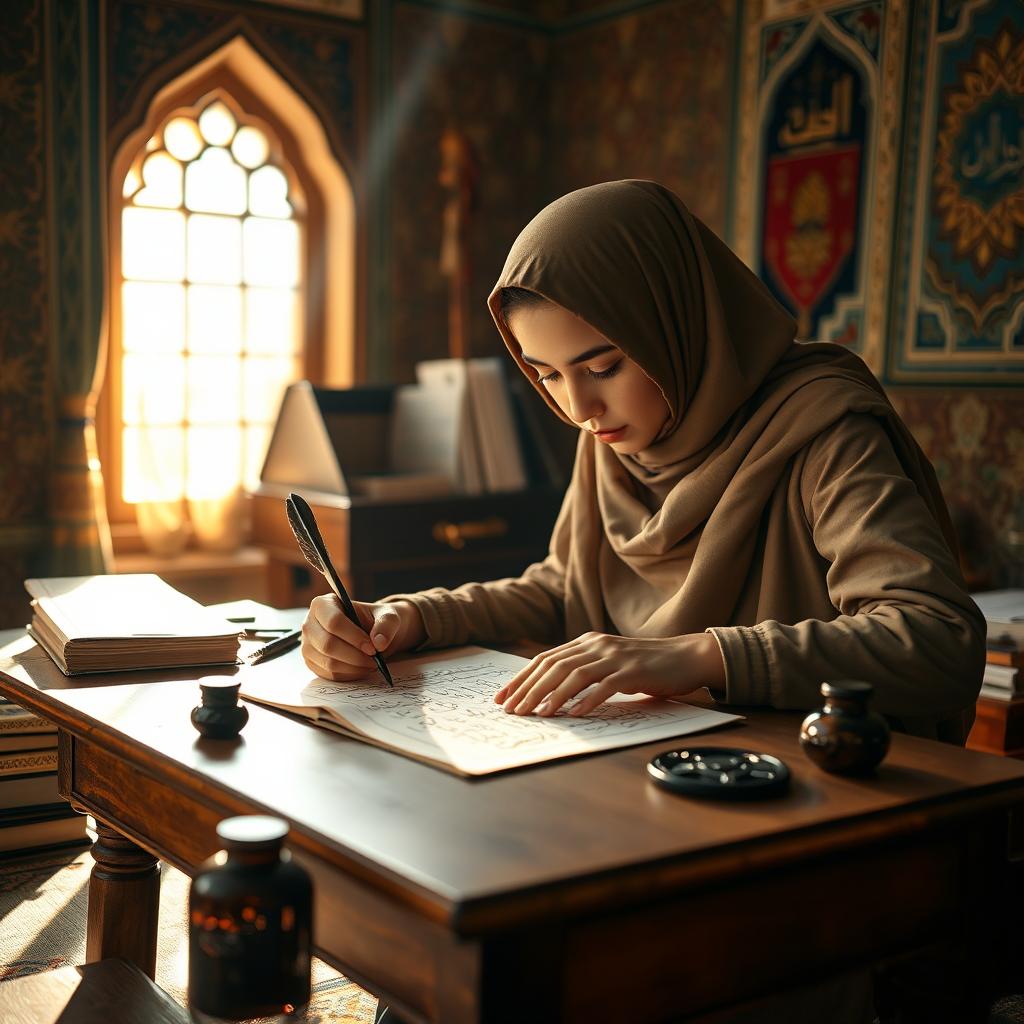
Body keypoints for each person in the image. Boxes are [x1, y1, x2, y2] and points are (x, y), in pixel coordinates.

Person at [300, 178, 984, 746]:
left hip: (822, 792)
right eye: (548, 376)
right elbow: (565, 591)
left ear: (674, 324)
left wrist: (693, 653)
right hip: (653, 773)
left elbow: (935, 637)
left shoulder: (822, 425)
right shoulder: (617, 433)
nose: (579, 407)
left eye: (602, 365)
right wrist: (410, 617)